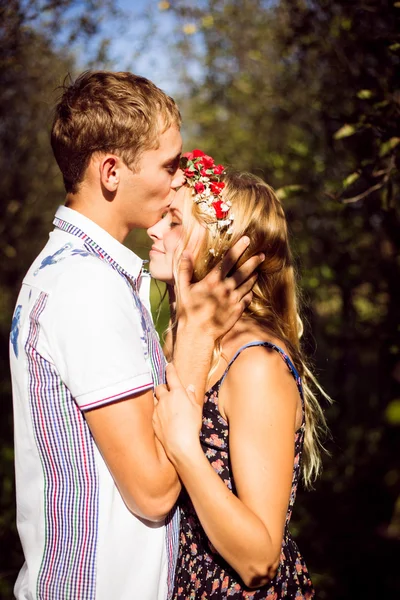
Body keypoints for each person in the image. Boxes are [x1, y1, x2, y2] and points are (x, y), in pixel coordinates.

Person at [9, 74, 263, 600]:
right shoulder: (87, 287)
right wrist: (194, 341)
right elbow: (151, 491)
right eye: (169, 165)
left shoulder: (74, 272)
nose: (179, 181)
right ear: (110, 171)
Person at [148, 150, 330, 599]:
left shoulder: (256, 363)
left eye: (173, 222)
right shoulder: (185, 341)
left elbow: (260, 559)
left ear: (215, 244)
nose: (153, 229)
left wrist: (184, 449)